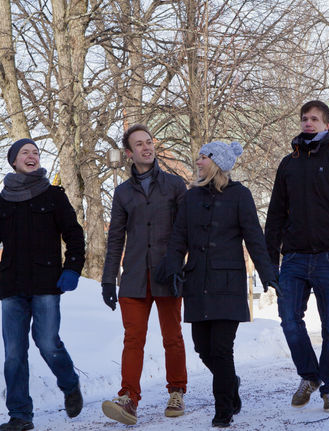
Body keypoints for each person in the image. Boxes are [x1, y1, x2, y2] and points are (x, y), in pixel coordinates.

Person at [159, 141, 281, 428]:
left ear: (217, 162)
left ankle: (223, 409)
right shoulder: (191, 197)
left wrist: (268, 273)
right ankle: (230, 382)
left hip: (228, 283)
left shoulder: (240, 195)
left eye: (203, 157)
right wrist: (173, 267)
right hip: (197, 282)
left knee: (222, 349)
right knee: (203, 347)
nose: (198, 161)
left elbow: (254, 238)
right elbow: (178, 239)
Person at [0, 138, 85, 431]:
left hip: (46, 283)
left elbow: (74, 234)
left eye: (35, 152)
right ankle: (20, 414)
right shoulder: (1, 201)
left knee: (47, 342)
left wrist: (72, 269)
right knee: (14, 354)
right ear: (14, 161)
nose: (32, 156)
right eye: (25, 153)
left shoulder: (53, 196)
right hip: (12, 286)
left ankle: (69, 383)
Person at [264, 100, 329, 413]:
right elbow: (275, 214)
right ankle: (310, 375)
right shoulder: (288, 164)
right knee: (289, 320)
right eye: (305, 118)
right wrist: (270, 261)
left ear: (327, 125)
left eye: (315, 119)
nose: (308, 122)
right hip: (294, 257)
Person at [100, 124, 188, 426]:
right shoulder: (123, 192)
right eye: (139, 144)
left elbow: (185, 231)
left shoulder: (175, 186)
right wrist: (108, 279)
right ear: (129, 153)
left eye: (149, 142)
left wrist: (179, 264)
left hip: (167, 274)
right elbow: (115, 238)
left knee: (172, 337)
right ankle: (128, 398)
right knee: (133, 339)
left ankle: (176, 391)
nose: (146, 147)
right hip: (135, 277)